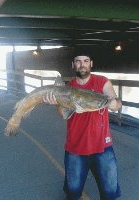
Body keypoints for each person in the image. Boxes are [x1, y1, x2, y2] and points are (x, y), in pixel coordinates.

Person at [43, 49, 122, 200]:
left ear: (91, 63)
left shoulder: (102, 81)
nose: (82, 64)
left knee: (110, 193)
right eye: (78, 61)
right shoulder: (67, 88)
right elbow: (63, 114)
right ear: (73, 65)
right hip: (75, 148)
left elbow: (116, 102)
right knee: (73, 193)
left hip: (103, 147)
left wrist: (113, 103)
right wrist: (57, 103)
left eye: (86, 61)